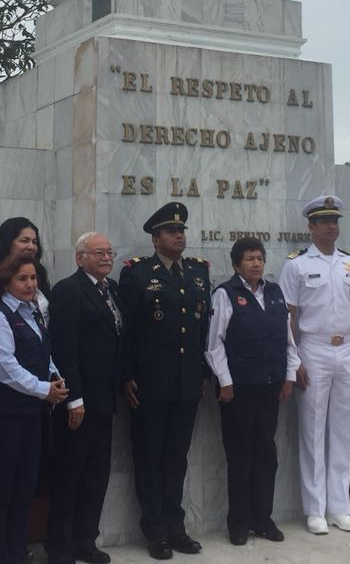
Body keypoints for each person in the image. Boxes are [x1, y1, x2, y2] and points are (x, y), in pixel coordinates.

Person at [118, 202, 212, 559]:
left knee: (177, 459)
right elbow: (126, 331)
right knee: (149, 458)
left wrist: (203, 373)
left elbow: (201, 330)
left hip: (187, 385)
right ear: (155, 239)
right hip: (149, 386)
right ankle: (155, 531)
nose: (179, 236)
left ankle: (176, 527)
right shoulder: (137, 274)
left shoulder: (198, 273)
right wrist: (125, 375)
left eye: (182, 231)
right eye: (171, 231)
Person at [277, 194, 350, 536]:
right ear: (311, 227)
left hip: (347, 348)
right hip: (313, 349)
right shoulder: (297, 265)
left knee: (343, 431)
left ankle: (340, 507)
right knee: (313, 431)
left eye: (335, 221)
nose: (332, 226)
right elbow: (288, 315)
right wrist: (294, 359)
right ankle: (315, 509)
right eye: (325, 221)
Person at [205, 237, 299, 545]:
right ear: (236, 265)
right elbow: (214, 343)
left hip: (270, 387)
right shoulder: (225, 294)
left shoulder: (273, 292)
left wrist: (289, 376)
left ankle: (263, 518)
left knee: (266, 454)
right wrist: (225, 381)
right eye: (249, 258)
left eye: (259, 257)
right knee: (240, 455)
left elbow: (287, 340)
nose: (256, 263)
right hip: (239, 390)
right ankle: (238, 523)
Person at [0, 254, 70, 564]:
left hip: (31, 414)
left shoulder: (33, 313)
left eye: (33, 278)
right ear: (6, 283)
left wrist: (55, 376)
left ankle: (16, 552)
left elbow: (42, 353)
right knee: (1, 487)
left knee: (24, 488)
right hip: (5, 415)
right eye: (22, 279)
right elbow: (6, 369)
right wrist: (45, 390)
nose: (30, 284)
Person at [46, 233, 125, 564]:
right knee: (70, 475)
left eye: (110, 252)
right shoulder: (68, 290)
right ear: (80, 258)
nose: (107, 257)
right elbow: (65, 348)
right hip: (78, 402)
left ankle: (85, 541)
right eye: (99, 253)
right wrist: (74, 398)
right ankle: (59, 547)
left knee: (96, 474)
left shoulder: (111, 290)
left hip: (105, 399)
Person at [0, 217, 51, 319]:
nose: (31, 246)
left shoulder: (40, 278)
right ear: (7, 244)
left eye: (34, 242)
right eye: (24, 241)